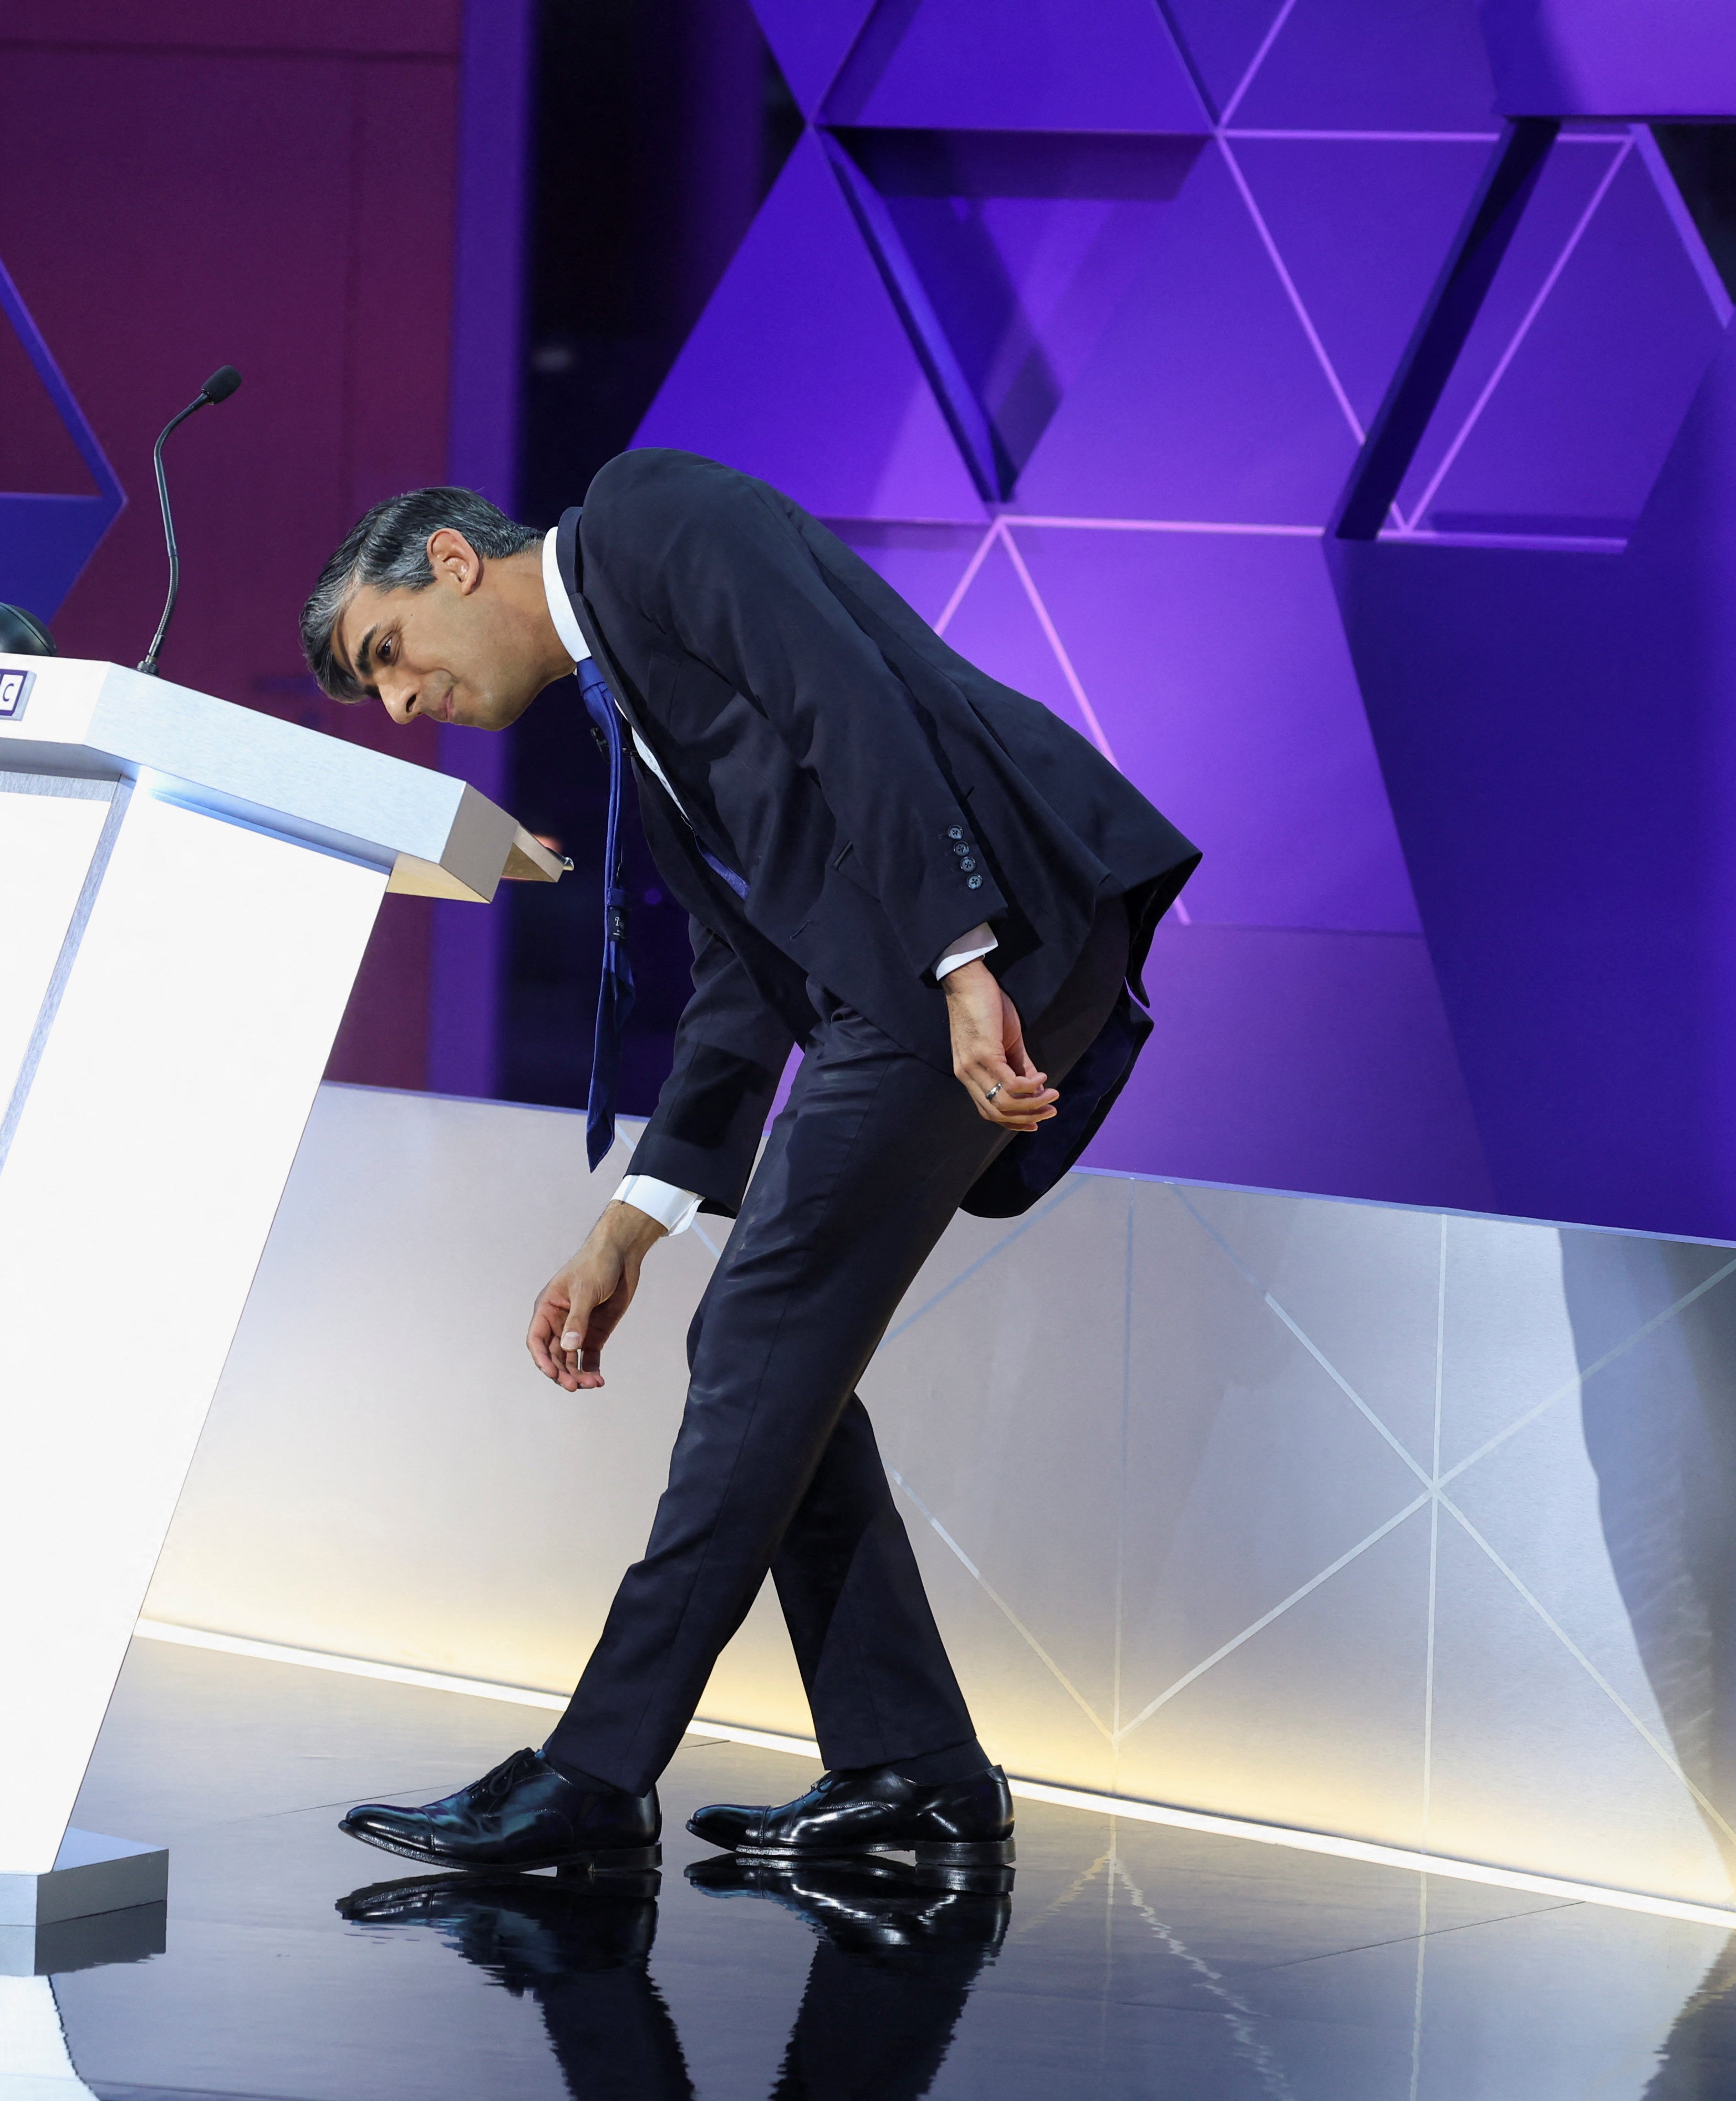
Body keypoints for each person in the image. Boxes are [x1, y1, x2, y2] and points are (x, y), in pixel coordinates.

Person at [301, 450, 1197, 1874]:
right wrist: (631, 1222)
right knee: (757, 1344)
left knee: (759, 1335)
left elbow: (853, 705)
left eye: (391, 656)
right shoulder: (626, 683)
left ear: (453, 563)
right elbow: (738, 965)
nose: (405, 706)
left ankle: (596, 1771)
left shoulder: (650, 516)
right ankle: (910, 1767)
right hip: (911, 970)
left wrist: (964, 961)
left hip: (984, 932)